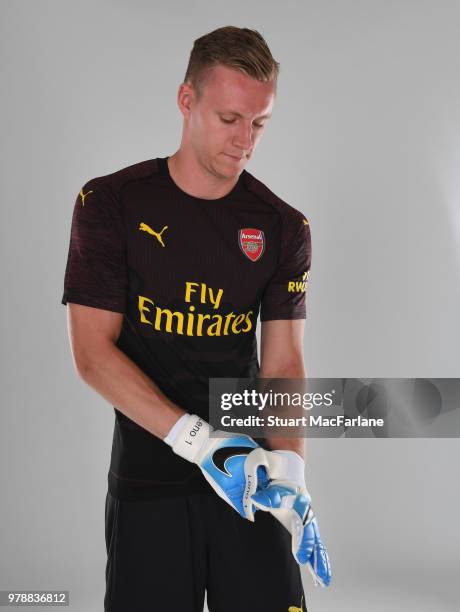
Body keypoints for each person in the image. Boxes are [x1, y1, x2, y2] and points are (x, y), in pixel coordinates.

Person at [61, 25, 330, 612]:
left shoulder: (284, 226)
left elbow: (282, 360)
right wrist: (201, 443)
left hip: (250, 477)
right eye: (230, 119)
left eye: (259, 124)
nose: (245, 142)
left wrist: (289, 473)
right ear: (187, 101)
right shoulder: (110, 204)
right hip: (150, 478)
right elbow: (92, 354)